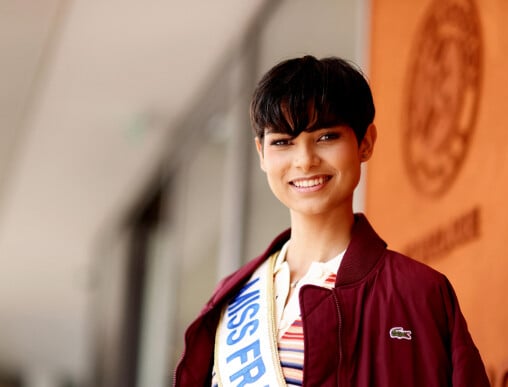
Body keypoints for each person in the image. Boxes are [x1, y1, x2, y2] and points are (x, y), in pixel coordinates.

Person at [174, 55, 490, 386]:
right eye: (283, 142)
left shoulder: (420, 292)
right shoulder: (232, 297)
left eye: (326, 137)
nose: (305, 160)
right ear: (261, 154)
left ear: (365, 143)